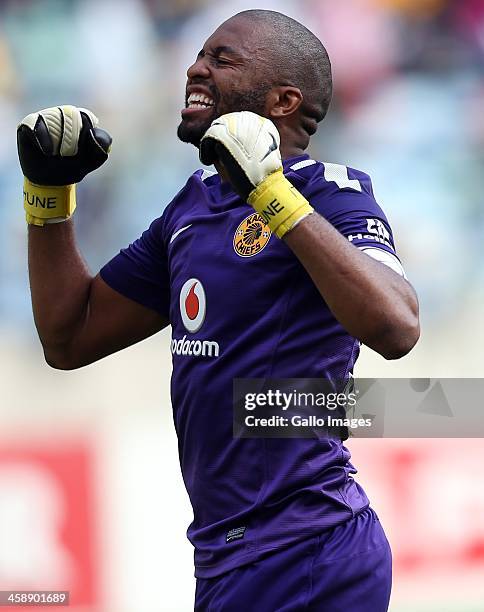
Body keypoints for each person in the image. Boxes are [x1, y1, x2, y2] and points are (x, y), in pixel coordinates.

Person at [17, 9, 419, 612]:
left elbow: (397, 327)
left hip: (307, 545)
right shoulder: (192, 208)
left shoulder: (330, 192)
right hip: (230, 556)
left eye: (222, 61)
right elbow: (69, 338)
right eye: (200, 56)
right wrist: (49, 196)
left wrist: (272, 193)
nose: (194, 69)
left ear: (284, 100)